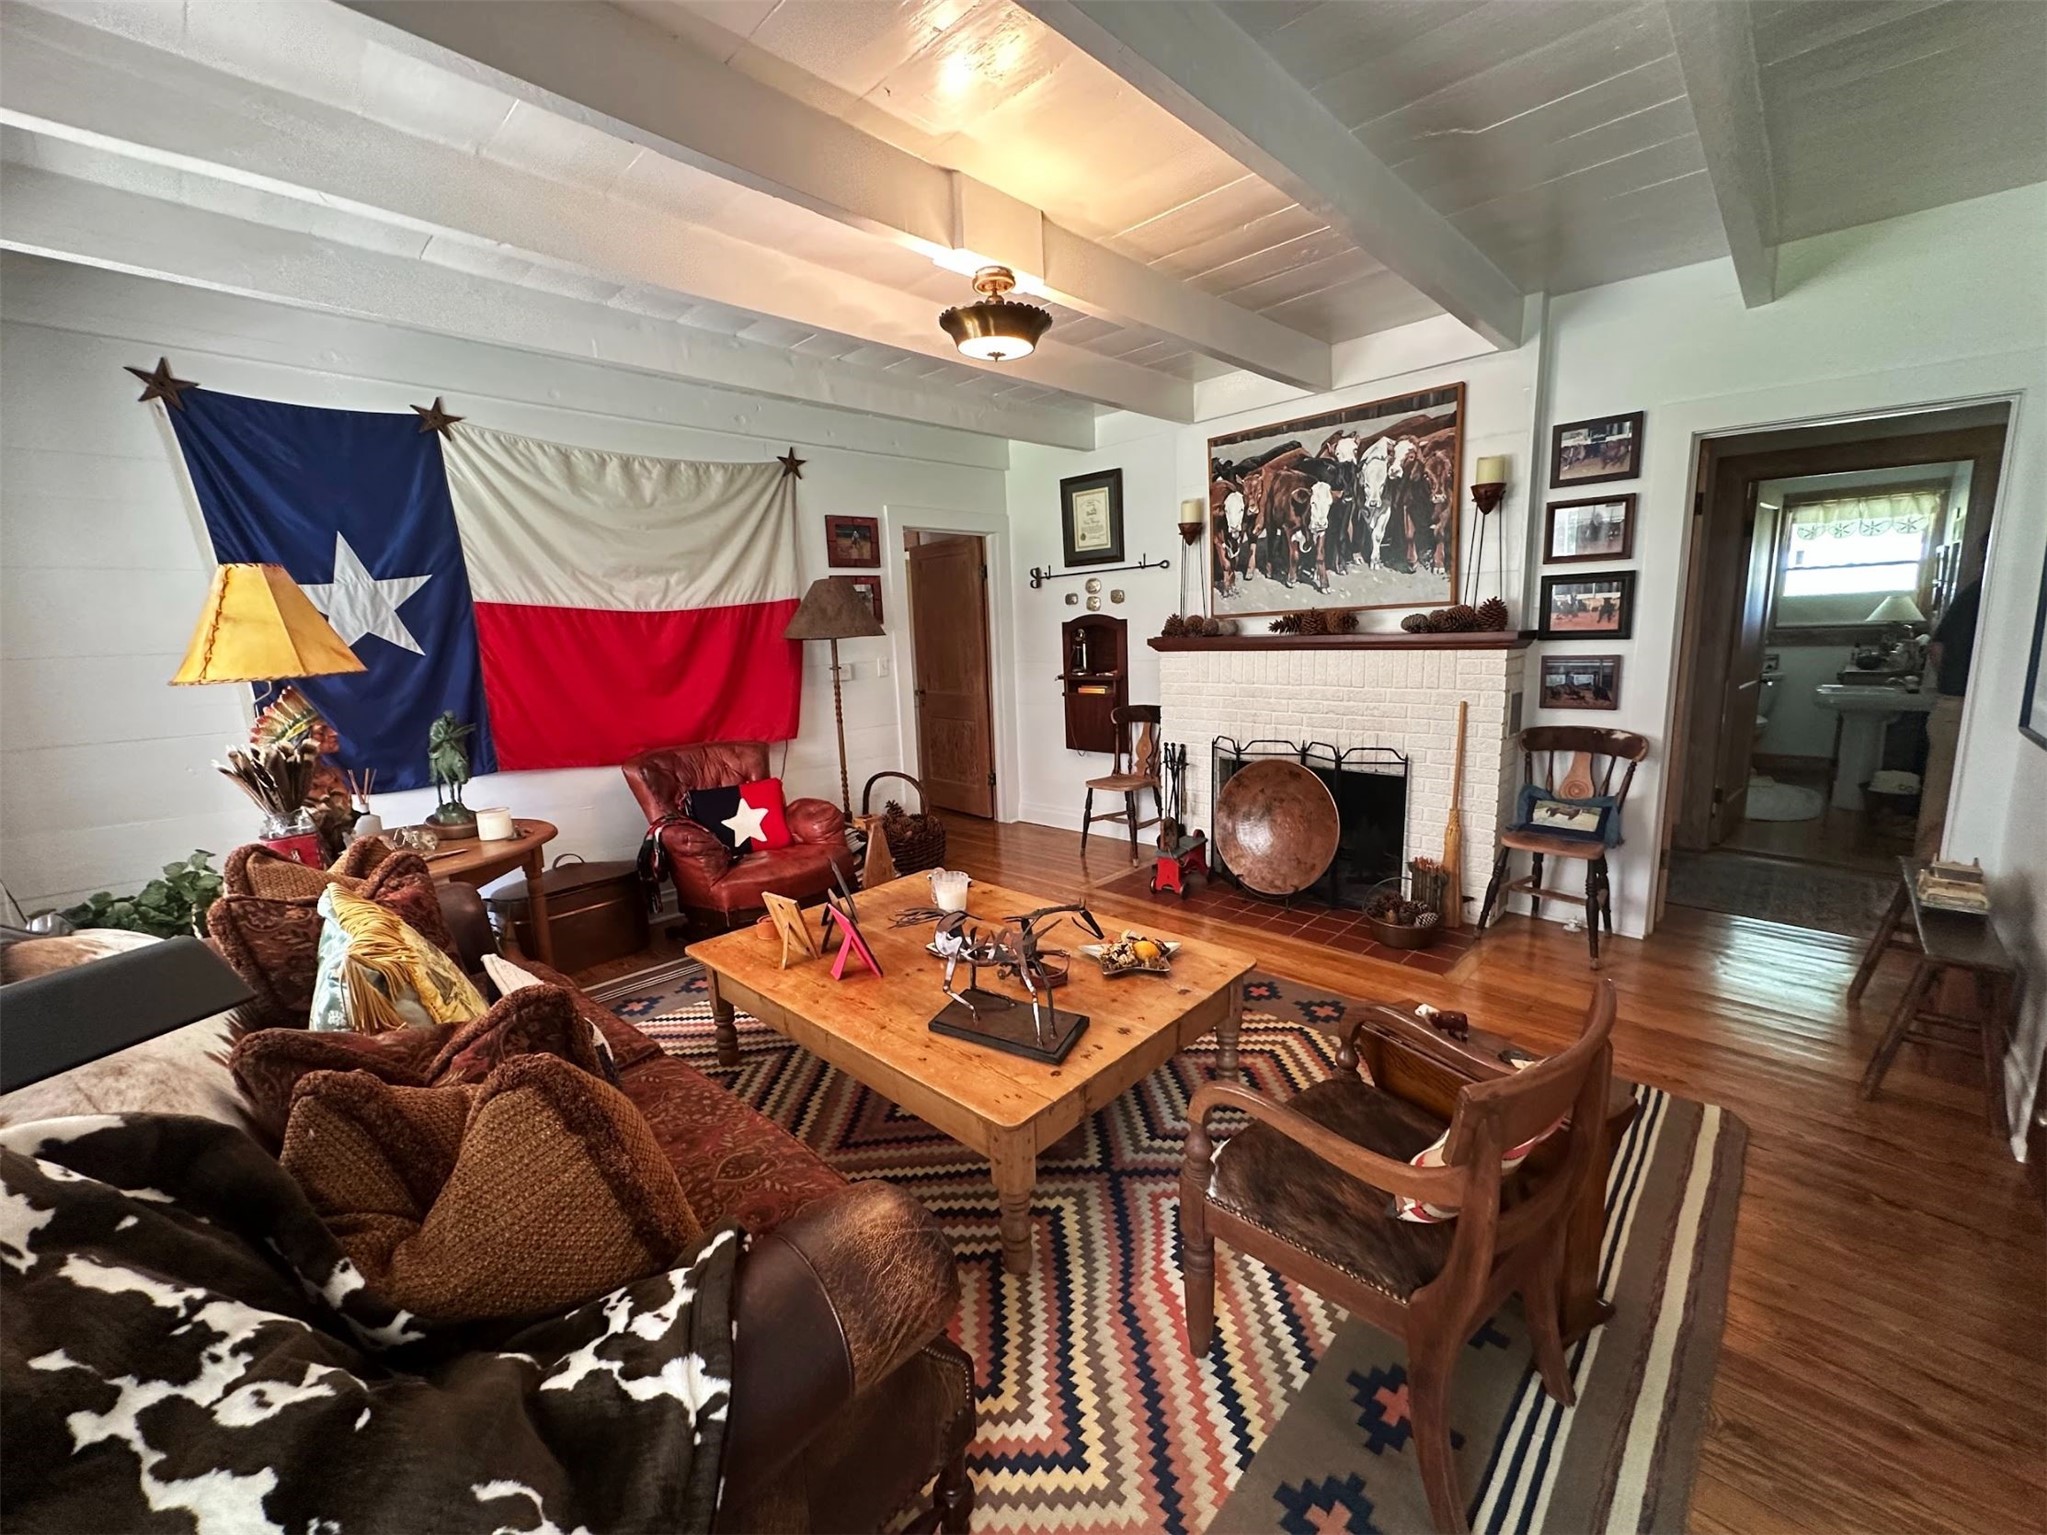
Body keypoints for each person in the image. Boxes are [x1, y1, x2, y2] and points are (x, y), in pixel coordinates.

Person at [1916, 578, 1980, 858]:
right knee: (1943, 797)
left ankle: (1925, 874)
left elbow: (1938, 650)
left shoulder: (1970, 595)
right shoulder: (1981, 594)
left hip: (1953, 701)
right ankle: (1930, 878)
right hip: (1961, 702)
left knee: (1938, 798)